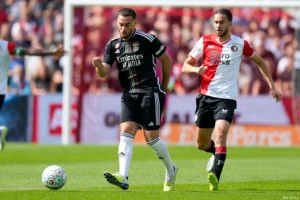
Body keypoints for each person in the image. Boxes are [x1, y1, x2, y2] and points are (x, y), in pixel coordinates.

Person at [182, 8, 282, 191]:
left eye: (222, 22)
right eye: (216, 22)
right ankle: (214, 154)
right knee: (201, 144)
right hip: (205, 97)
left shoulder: (240, 44)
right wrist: (197, 70)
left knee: (220, 134)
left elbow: (261, 62)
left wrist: (272, 86)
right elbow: (185, 66)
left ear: (230, 23)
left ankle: (215, 178)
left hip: (226, 98)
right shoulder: (204, 41)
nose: (218, 25)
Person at [92, 8, 178, 191]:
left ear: (134, 23)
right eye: (120, 25)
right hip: (129, 93)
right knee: (125, 129)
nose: (123, 29)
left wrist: (164, 86)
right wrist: (99, 66)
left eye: (127, 25)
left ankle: (171, 170)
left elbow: (167, 60)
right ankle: (123, 176)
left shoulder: (147, 40)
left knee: (151, 139)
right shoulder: (113, 45)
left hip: (149, 91)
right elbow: (104, 73)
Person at [0, 39, 65, 151]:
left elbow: (28, 51)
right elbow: (28, 51)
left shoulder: (5, 46)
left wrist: (51, 53)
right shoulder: (5, 46)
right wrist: (51, 52)